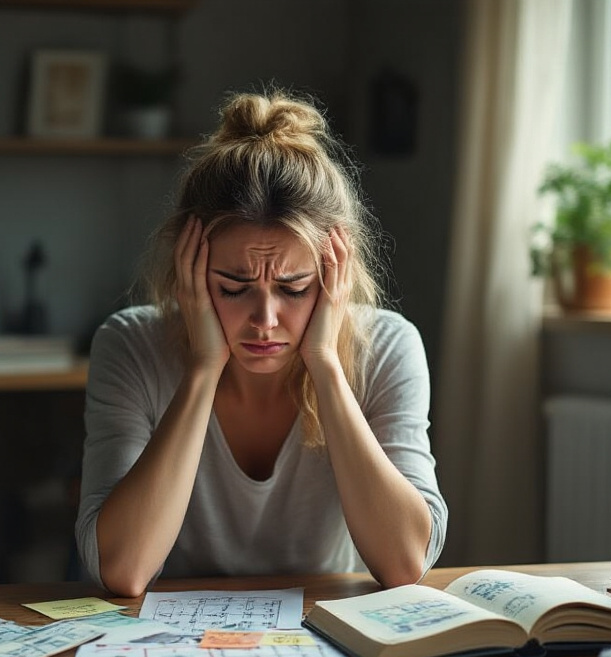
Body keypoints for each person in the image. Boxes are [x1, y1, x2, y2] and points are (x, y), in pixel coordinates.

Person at [76, 87, 446, 597]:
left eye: (294, 289)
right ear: (189, 269)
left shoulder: (387, 347)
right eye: (232, 288)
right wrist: (205, 366)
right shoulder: (130, 345)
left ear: (335, 275)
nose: (265, 320)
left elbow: (406, 563)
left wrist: (325, 365)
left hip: (323, 630)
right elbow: (123, 569)